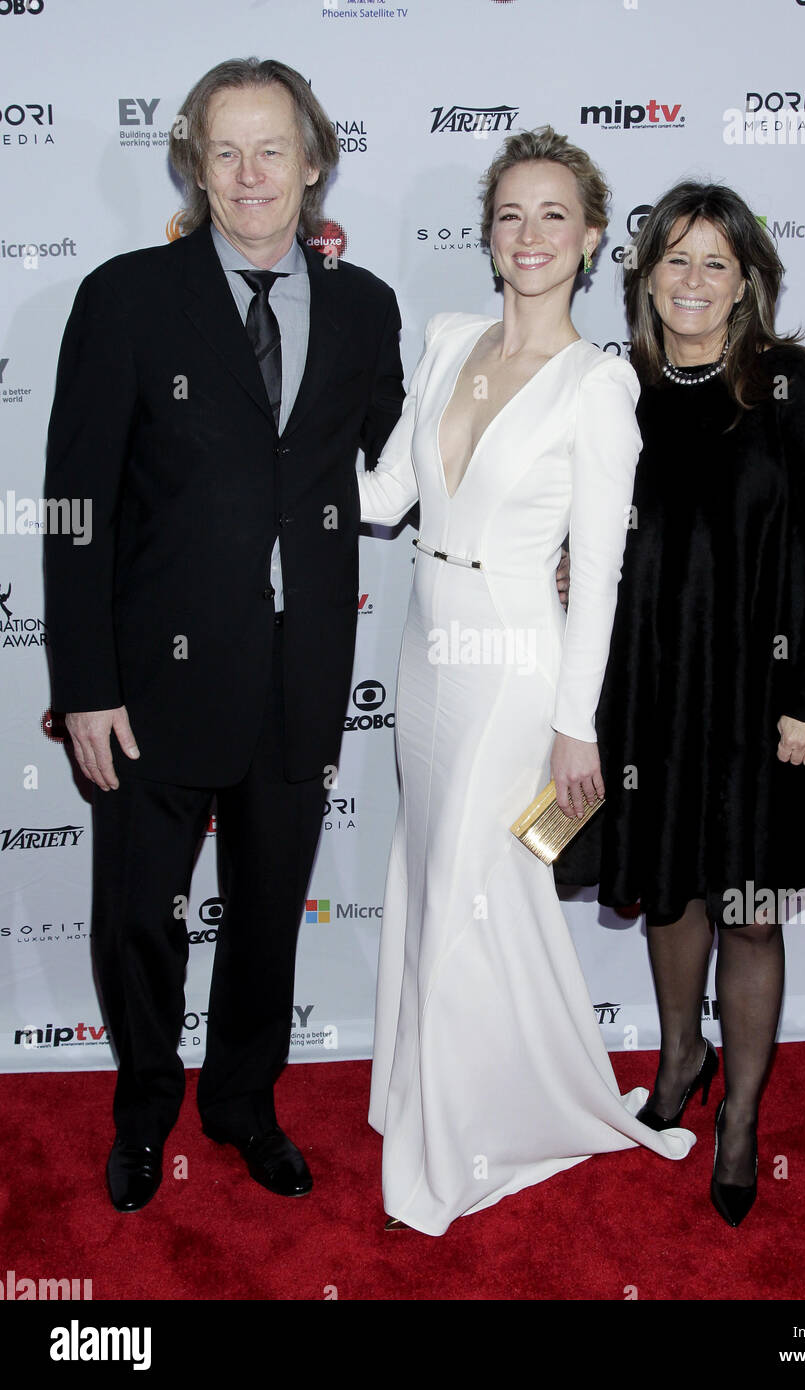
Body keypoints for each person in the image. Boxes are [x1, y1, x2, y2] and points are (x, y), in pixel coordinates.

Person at [43, 58, 404, 1212]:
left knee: (264, 914)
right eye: (225, 152)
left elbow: (418, 470)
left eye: (273, 150)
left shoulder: (366, 308)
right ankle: (145, 1108)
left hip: (299, 675)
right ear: (195, 166)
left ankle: (244, 1102)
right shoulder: (126, 295)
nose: (250, 177)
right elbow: (74, 503)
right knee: (140, 914)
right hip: (154, 681)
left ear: (314, 162)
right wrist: (85, 681)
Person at [356, 128, 696, 1237]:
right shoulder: (448, 337)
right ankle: (433, 1088)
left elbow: (594, 578)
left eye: (556, 215)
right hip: (425, 641)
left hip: (514, 659)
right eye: (511, 214)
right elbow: (385, 493)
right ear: (487, 235)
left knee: (467, 878)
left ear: (594, 239)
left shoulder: (598, 385)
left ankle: (456, 1141)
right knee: (439, 879)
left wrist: (573, 727)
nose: (532, 235)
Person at [557, 181, 805, 1227]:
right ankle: (679, 1058)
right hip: (653, 695)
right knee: (671, 893)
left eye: (715, 262)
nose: (693, 281)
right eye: (674, 260)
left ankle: (741, 1118)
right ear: (644, 274)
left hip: (763, 707)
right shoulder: (617, 390)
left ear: (747, 280)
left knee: (748, 913)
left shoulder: (788, 387)